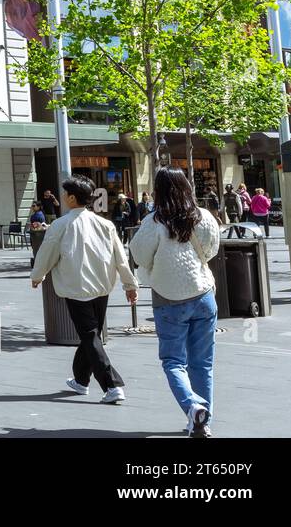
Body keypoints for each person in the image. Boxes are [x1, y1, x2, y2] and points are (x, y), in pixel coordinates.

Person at [30, 175, 139, 404]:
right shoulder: (106, 224)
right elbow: (121, 257)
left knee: (89, 336)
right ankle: (81, 380)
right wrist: (129, 284)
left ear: (71, 198)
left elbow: (47, 253)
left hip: (76, 288)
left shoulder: (61, 225)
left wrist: (37, 275)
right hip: (102, 288)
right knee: (92, 335)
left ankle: (111, 385)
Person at [129, 167, 220, 438]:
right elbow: (212, 249)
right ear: (187, 187)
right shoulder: (203, 217)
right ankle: (202, 422)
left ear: (158, 190)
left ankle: (193, 408)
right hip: (203, 293)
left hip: (168, 299)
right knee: (202, 363)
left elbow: (138, 254)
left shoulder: (153, 222)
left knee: (173, 361)